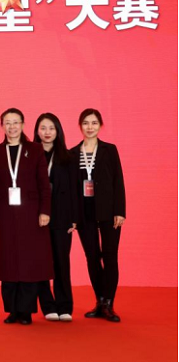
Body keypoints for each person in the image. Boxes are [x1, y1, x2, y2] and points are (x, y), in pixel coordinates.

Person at [0, 108, 53, 325]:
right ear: (2, 126)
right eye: (7, 123)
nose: (12, 127)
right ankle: (12, 310)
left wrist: (45, 211)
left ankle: (26, 311)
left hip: (31, 213)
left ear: (23, 125)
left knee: (28, 261)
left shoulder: (35, 149)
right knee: (7, 261)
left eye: (16, 122)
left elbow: (44, 184)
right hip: (4, 213)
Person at [71, 108, 125, 323]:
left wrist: (120, 211)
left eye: (94, 123)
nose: (90, 127)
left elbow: (118, 181)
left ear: (100, 125)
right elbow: (71, 188)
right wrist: (73, 216)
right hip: (84, 213)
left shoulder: (109, 150)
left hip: (109, 211)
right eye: (86, 123)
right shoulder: (72, 153)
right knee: (92, 257)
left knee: (110, 256)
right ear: (80, 126)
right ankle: (100, 300)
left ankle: (109, 303)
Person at [34, 113, 80, 322]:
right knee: (41, 262)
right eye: (43, 128)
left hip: (62, 217)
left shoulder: (68, 157)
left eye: (51, 128)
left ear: (58, 131)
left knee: (62, 261)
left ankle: (65, 305)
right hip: (37, 217)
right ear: (37, 131)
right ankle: (47, 305)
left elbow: (74, 190)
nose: (47, 132)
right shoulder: (30, 156)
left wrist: (74, 218)